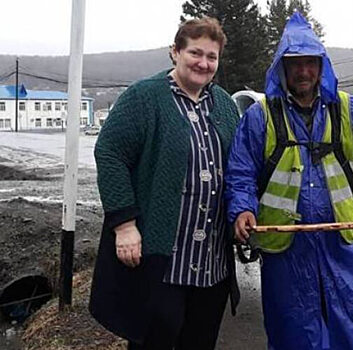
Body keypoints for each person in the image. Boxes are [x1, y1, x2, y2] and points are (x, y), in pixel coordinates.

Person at [225, 12, 353, 350]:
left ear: (322, 67)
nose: (304, 71)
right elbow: (240, 173)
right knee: (295, 333)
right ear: (283, 68)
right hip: (286, 250)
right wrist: (241, 211)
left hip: (342, 244)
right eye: (296, 64)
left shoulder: (345, 109)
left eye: (311, 62)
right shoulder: (260, 116)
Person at [89, 16, 240, 350]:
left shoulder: (225, 105)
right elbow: (111, 152)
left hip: (211, 263)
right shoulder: (144, 97)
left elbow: (242, 167)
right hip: (164, 260)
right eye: (195, 53)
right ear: (175, 52)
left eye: (211, 57)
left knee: (200, 342)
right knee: (154, 340)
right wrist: (124, 225)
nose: (203, 63)